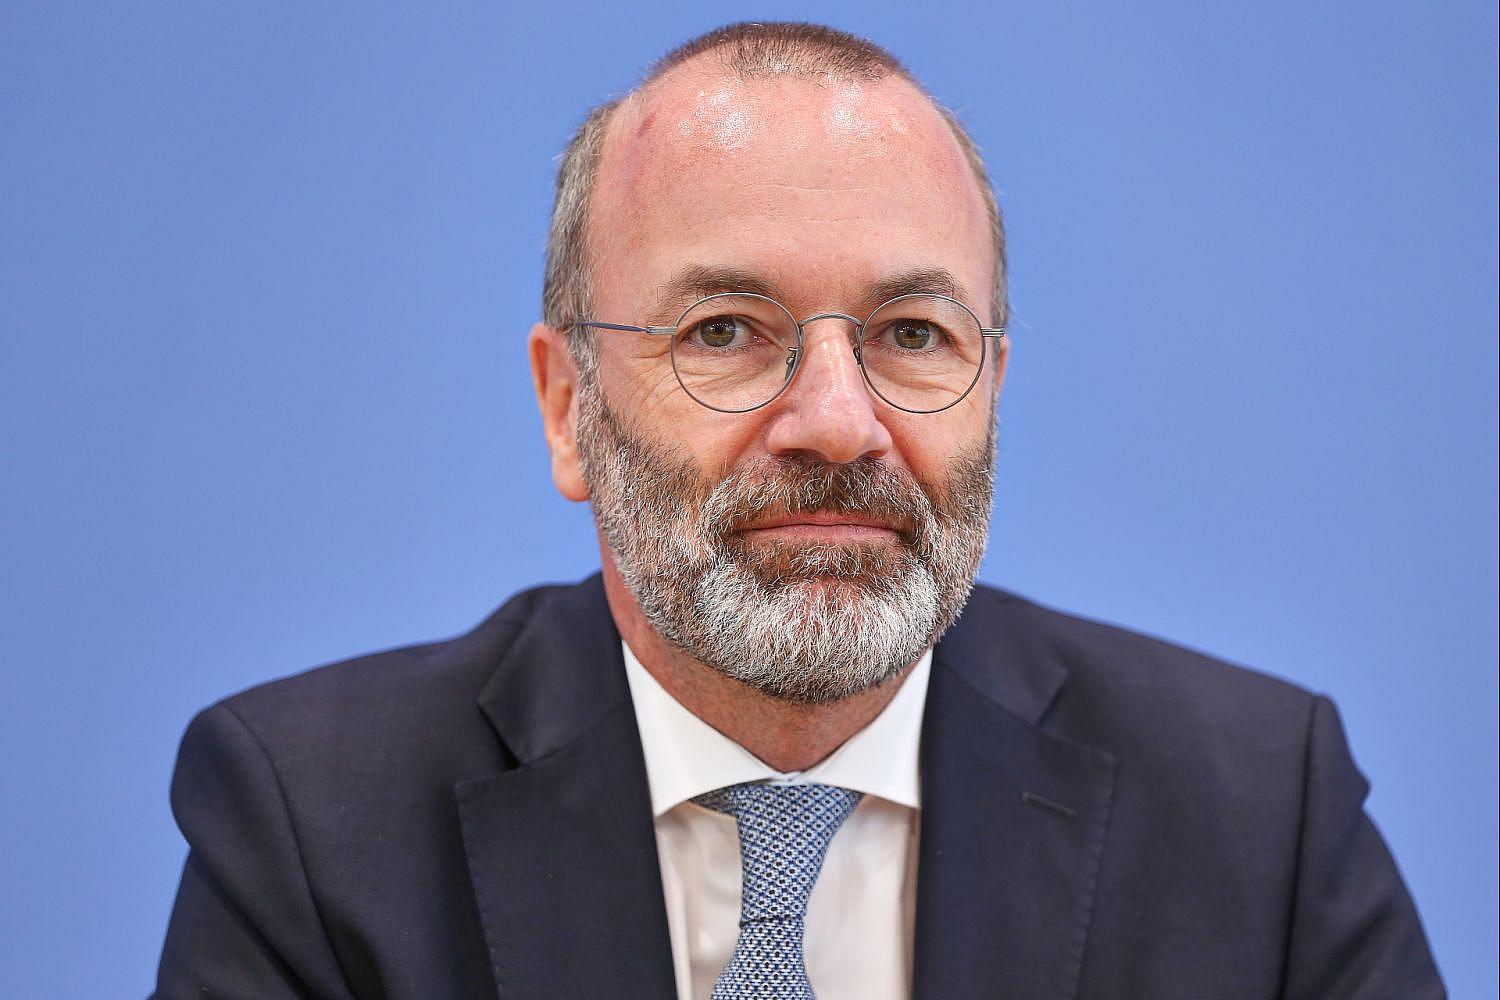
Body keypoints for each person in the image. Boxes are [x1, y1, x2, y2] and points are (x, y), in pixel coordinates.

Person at [152, 21, 1443, 1000]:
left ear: (994, 386)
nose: (836, 421)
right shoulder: (313, 825)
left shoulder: (1258, 814)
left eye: (913, 334)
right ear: (568, 406)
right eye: (726, 329)